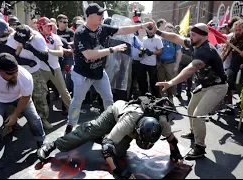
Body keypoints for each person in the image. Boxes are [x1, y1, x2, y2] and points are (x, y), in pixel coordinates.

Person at [37, 96, 183, 179]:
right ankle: (54, 144)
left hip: (130, 128)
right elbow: (107, 147)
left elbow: (171, 138)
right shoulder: (129, 121)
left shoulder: (162, 122)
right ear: (138, 132)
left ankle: (105, 136)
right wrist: (118, 171)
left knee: (119, 153)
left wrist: (175, 151)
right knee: (91, 130)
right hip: (115, 115)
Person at [65, 3, 155, 134]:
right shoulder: (81, 33)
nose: (102, 16)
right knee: (77, 101)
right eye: (99, 14)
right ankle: (70, 125)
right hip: (83, 75)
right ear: (90, 16)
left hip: (99, 72)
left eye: (103, 13)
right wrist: (113, 49)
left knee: (109, 99)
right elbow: (89, 55)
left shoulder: (102, 28)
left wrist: (142, 26)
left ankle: (111, 124)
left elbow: (122, 30)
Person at [155, 22, 228, 159]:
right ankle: (194, 133)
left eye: (193, 34)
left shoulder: (206, 50)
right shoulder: (195, 43)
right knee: (190, 109)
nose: (190, 36)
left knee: (198, 114)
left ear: (203, 36)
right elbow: (176, 38)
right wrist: (158, 32)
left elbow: (190, 70)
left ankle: (200, 147)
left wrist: (171, 82)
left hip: (218, 86)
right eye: (190, 34)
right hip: (205, 85)